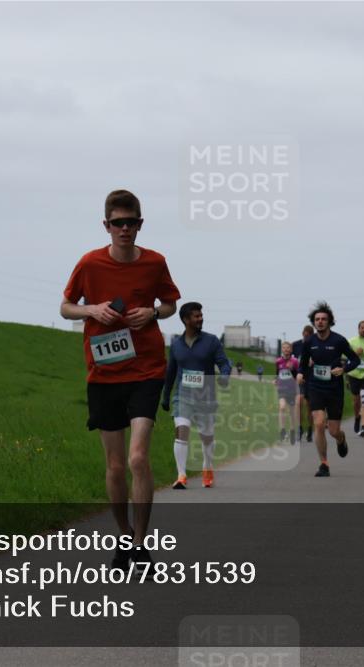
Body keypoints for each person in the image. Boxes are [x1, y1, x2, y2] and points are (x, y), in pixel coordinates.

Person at [60, 189, 180, 570]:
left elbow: (171, 303)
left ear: (140, 225)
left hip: (146, 369)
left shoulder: (155, 262)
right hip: (104, 374)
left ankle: (142, 546)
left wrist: (154, 314)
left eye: (131, 223)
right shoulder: (90, 263)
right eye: (118, 223)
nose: (124, 229)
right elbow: (65, 307)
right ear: (106, 226)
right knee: (114, 467)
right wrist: (92, 309)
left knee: (138, 458)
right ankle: (124, 535)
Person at [162, 302, 231, 490]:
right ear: (186, 320)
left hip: (206, 397)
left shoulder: (212, 341)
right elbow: (170, 373)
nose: (200, 318)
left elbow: (224, 363)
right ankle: (181, 475)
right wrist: (166, 396)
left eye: (201, 315)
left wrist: (224, 376)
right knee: (181, 431)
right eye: (196, 316)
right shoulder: (176, 345)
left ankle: (207, 468)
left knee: (206, 436)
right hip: (182, 395)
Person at [296, 302, 360, 477]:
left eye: (324, 319)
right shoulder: (309, 342)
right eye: (317, 319)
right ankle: (324, 463)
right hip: (316, 387)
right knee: (318, 423)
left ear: (330, 321)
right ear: (314, 322)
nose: (320, 322)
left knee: (333, 431)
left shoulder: (338, 340)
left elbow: (355, 360)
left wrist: (343, 369)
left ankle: (341, 439)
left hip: (334, 390)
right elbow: (302, 365)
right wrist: (301, 374)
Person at [291, 325, 315, 442]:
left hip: (312, 379)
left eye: (309, 335)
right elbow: (291, 361)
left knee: (309, 406)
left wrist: (314, 361)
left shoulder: (316, 345)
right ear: (302, 334)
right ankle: (299, 428)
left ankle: (310, 429)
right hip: (300, 378)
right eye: (304, 335)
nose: (306, 337)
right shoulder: (295, 345)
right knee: (299, 402)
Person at [274, 341, 300, 444]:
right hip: (282, 389)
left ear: (291, 350)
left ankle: (293, 430)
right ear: (282, 350)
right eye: (284, 348)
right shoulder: (278, 361)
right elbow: (277, 373)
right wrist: (275, 379)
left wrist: (292, 369)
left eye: (288, 348)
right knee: (282, 407)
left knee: (292, 412)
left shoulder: (295, 361)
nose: (286, 350)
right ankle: (282, 430)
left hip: (292, 389)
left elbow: (298, 375)